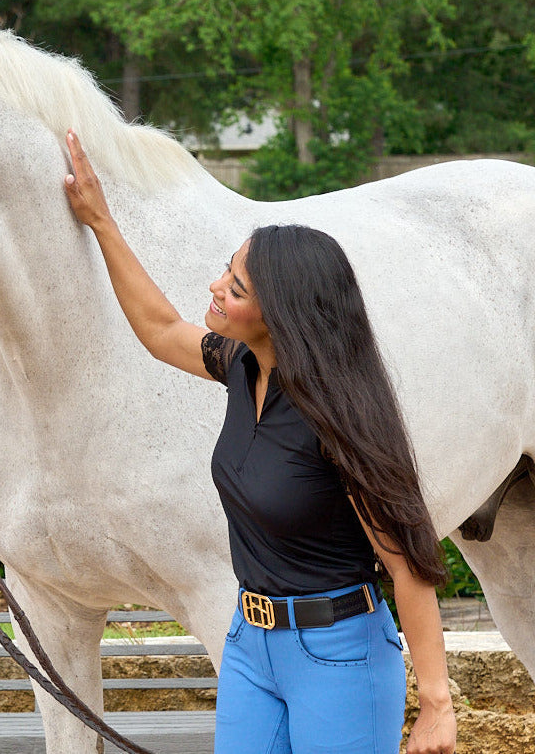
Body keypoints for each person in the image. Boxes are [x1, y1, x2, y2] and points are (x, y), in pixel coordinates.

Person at [62, 129, 456, 754]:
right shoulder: (244, 365)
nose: (217, 286)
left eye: (237, 287)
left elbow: (407, 563)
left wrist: (436, 705)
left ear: (285, 314)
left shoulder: (338, 416)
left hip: (340, 656)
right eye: (228, 270)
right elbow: (162, 329)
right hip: (249, 643)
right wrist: (102, 222)